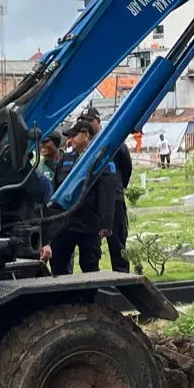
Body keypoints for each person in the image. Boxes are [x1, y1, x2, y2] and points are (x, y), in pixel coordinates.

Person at [47, 120, 116, 275]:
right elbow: (55, 190)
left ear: (85, 135)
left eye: (73, 135)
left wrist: (106, 223)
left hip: (89, 223)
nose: (70, 140)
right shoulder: (65, 160)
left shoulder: (100, 160)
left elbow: (107, 193)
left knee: (90, 265)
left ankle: (88, 299)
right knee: (58, 265)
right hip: (65, 223)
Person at [82, 107, 131, 273]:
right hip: (92, 203)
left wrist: (116, 188)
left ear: (98, 122)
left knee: (117, 244)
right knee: (91, 249)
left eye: (90, 121)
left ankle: (123, 282)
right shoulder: (83, 144)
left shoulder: (113, 140)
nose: (87, 124)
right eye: (84, 120)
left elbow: (126, 166)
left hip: (114, 200)